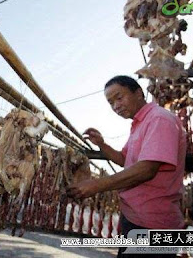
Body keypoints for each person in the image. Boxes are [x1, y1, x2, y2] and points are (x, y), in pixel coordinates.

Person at [67, 75, 186, 258]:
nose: (116, 106)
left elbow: (147, 168)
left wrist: (96, 185)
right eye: (111, 103)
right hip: (136, 219)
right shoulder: (140, 124)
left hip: (154, 225)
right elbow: (125, 160)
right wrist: (102, 144)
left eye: (119, 97)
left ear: (138, 93)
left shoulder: (159, 119)